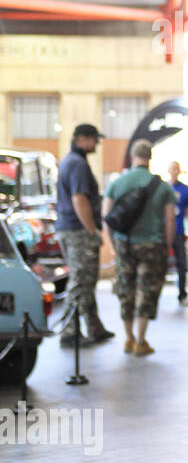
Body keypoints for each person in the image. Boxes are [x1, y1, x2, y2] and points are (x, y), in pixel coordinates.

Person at [104, 140, 175, 357]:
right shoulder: (162, 186)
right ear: (150, 157)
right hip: (152, 245)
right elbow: (170, 220)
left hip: (124, 243)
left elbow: (106, 217)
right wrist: (167, 245)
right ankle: (141, 341)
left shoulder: (117, 182)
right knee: (147, 290)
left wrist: (113, 243)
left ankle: (128, 338)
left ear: (132, 157)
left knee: (126, 289)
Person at [54, 123, 114, 347]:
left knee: (86, 280)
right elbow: (79, 199)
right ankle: (70, 332)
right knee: (81, 281)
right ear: (82, 139)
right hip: (78, 231)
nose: (97, 144)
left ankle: (94, 327)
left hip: (70, 229)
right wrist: (91, 230)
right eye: (93, 139)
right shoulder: (77, 164)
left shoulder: (71, 161)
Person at [167, 161, 188, 306]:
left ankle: (182, 294)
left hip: (178, 231)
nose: (175, 172)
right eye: (172, 169)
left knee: (181, 263)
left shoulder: (184, 189)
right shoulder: (163, 188)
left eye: (177, 169)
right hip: (164, 231)